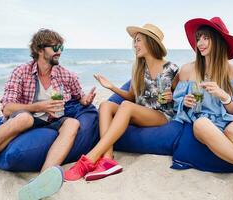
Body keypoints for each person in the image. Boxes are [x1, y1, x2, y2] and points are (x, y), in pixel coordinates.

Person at [0, 29, 96, 195]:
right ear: (40, 50)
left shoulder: (66, 75)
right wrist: (38, 107)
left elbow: (79, 96)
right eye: (55, 48)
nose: (59, 52)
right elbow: (7, 107)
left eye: (61, 48)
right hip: (29, 117)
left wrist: (86, 100)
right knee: (24, 119)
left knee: (73, 123)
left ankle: (42, 179)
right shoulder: (21, 72)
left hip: (54, 120)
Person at [64, 24, 179, 181]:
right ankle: (108, 157)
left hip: (161, 115)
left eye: (138, 41)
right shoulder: (139, 68)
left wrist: (172, 96)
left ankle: (90, 158)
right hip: (139, 112)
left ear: (150, 42)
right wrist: (111, 87)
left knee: (125, 106)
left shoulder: (171, 68)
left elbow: (181, 96)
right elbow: (132, 97)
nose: (135, 45)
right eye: (134, 42)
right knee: (105, 105)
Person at [173, 17, 233, 179]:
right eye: (198, 38)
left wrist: (224, 96)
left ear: (218, 41)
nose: (200, 42)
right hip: (207, 121)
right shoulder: (187, 70)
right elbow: (176, 105)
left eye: (206, 38)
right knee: (200, 124)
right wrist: (185, 103)